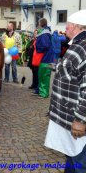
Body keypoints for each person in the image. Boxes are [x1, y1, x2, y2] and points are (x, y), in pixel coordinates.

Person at [45, 10, 86, 173]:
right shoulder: (77, 45)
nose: (65, 28)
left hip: (76, 120)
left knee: (80, 163)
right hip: (69, 117)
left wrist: (81, 120)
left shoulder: (82, 47)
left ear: (76, 26)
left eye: (67, 25)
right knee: (71, 157)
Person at [33, 18, 54, 98]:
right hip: (45, 58)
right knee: (41, 75)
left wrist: (37, 47)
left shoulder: (45, 34)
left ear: (41, 24)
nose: (38, 25)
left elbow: (45, 45)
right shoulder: (45, 32)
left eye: (39, 23)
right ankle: (40, 91)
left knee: (44, 76)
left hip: (46, 58)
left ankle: (44, 93)